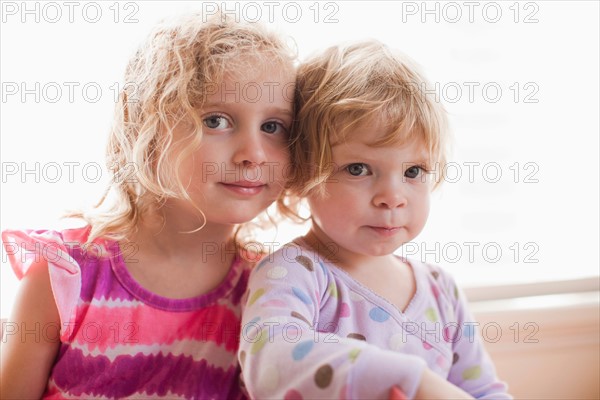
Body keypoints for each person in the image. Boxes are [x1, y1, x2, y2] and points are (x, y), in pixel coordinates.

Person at [1, 12, 296, 399]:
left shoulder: (273, 291)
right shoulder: (66, 278)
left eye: (273, 127)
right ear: (148, 128)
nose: (253, 153)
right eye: (217, 120)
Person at [238, 40, 511, 399]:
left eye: (413, 170)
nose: (393, 197)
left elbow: (482, 389)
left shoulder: (440, 289)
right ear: (303, 174)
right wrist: (416, 382)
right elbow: (271, 364)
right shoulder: (294, 273)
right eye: (358, 168)